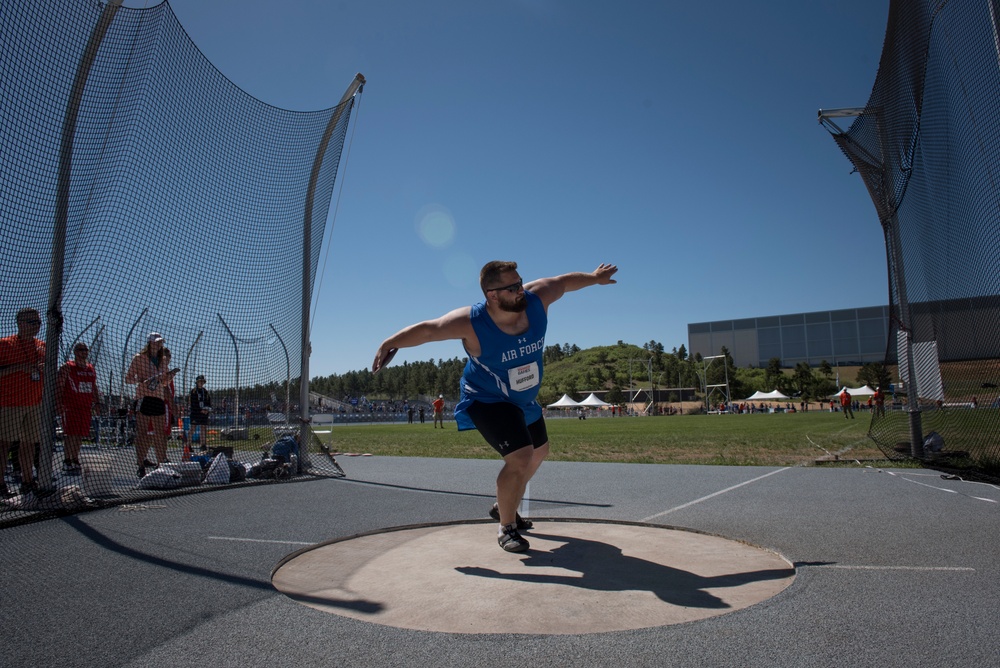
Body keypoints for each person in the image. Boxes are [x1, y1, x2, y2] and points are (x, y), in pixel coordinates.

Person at [372, 261, 618, 552]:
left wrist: (594, 278)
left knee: (540, 452)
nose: (520, 290)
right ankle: (507, 527)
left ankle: (503, 504)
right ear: (492, 295)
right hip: (486, 398)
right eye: (512, 287)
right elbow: (429, 330)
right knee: (520, 458)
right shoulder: (471, 322)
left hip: (523, 399)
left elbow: (563, 282)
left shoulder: (536, 298)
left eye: (520, 282)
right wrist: (390, 341)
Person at [0, 308, 46, 496]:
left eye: (38, 323)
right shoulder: (5, 344)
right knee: (4, 444)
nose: (36, 326)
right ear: (20, 323)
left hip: (35, 403)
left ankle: (28, 480)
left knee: (29, 444)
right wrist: (20, 368)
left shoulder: (42, 346)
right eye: (31, 322)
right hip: (10, 402)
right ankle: (0, 484)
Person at [125, 333, 178, 478]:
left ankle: (161, 465)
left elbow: (164, 383)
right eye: (156, 342)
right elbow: (128, 379)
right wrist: (142, 380)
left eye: (160, 342)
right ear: (149, 343)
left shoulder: (163, 360)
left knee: (160, 434)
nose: (158, 345)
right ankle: (140, 464)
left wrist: (170, 376)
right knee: (142, 433)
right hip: (143, 397)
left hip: (158, 398)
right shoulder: (138, 358)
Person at [56, 342, 101, 475]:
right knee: (71, 433)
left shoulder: (90, 368)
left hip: (85, 407)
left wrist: (97, 403)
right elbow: (59, 386)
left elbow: (94, 387)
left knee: (80, 434)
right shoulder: (68, 367)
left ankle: (75, 458)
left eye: (86, 350)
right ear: (75, 352)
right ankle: (67, 459)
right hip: (70, 406)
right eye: (81, 350)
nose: (84, 352)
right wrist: (58, 403)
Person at [189, 374, 212, 449]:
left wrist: (207, 409)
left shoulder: (205, 391)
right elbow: (193, 404)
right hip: (195, 413)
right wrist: (200, 410)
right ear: (197, 382)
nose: (201, 383)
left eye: (202, 381)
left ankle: (203, 445)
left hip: (204, 413)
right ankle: (188, 445)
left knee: (203, 428)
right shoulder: (193, 391)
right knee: (193, 428)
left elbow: (209, 402)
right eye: (200, 381)